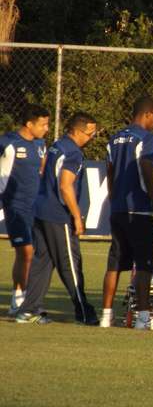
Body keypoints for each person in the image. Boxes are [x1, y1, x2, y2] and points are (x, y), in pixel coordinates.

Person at [16, 112, 99, 325]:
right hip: (57, 214)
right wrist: (76, 217)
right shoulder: (74, 153)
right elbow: (65, 185)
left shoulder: (57, 145)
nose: (92, 137)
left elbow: (45, 170)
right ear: (77, 131)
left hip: (40, 211)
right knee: (70, 263)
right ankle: (83, 312)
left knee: (42, 262)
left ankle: (29, 310)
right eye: (90, 133)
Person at [100, 97, 153, 330]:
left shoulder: (114, 138)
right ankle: (142, 317)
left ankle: (106, 316)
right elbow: (148, 173)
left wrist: (113, 198)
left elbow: (109, 172)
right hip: (139, 209)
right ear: (148, 114)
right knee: (144, 265)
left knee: (115, 263)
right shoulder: (147, 138)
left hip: (118, 208)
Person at [0, 104, 50, 315]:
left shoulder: (40, 144)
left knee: (34, 254)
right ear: (29, 124)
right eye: (43, 124)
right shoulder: (8, 143)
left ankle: (22, 297)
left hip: (35, 208)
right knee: (26, 252)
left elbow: (42, 170)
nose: (46, 128)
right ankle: (18, 298)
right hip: (15, 206)